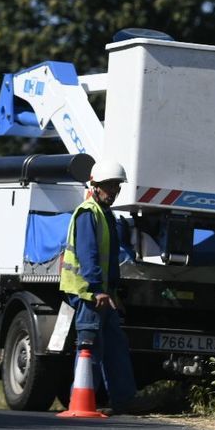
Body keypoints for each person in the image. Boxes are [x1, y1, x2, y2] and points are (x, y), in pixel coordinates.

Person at [60, 158, 148, 414]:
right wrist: (98, 289)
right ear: (95, 186)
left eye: (117, 186)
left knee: (115, 345)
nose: (114, 191)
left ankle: (124, 400)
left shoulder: (106, 214)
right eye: (109, 186)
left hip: (102, 293)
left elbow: (110, 259)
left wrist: (112, 291)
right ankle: (81, 400)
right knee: (91, 346)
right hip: (87, 293)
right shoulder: (88, 213)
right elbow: (89, 255)